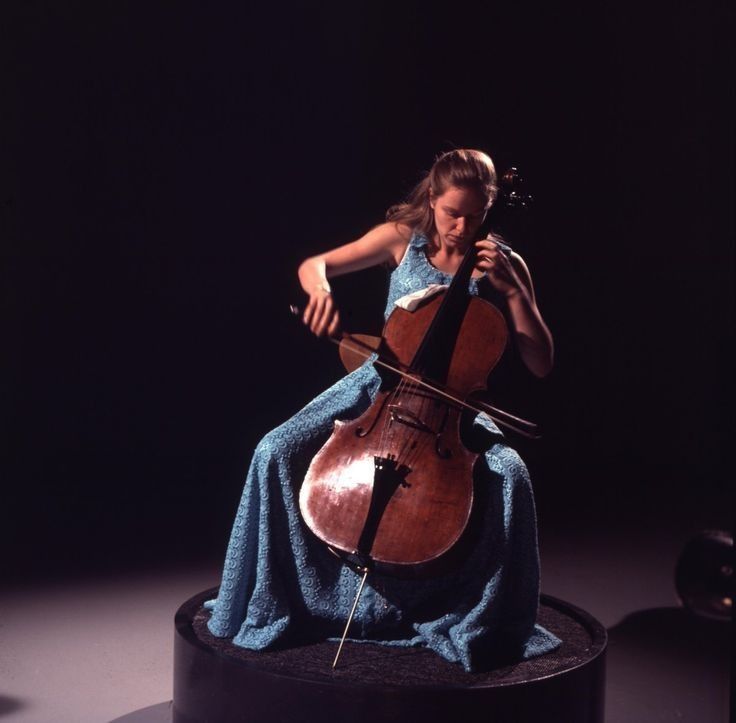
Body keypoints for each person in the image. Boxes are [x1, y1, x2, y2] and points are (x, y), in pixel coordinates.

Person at [206, 149, 561, 672]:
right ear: (432, 200)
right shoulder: (401, 238)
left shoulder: (502, 263)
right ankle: (269, 597)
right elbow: (315, 264)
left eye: (476, 215)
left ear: (489, 207)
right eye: (451, 213)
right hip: (378, 387)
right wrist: (320, 289)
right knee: (273, 449)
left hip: (452, 405)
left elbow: (541, 363)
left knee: (513, 474)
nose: (462, 228)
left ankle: (489, 615)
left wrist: (515, 296)